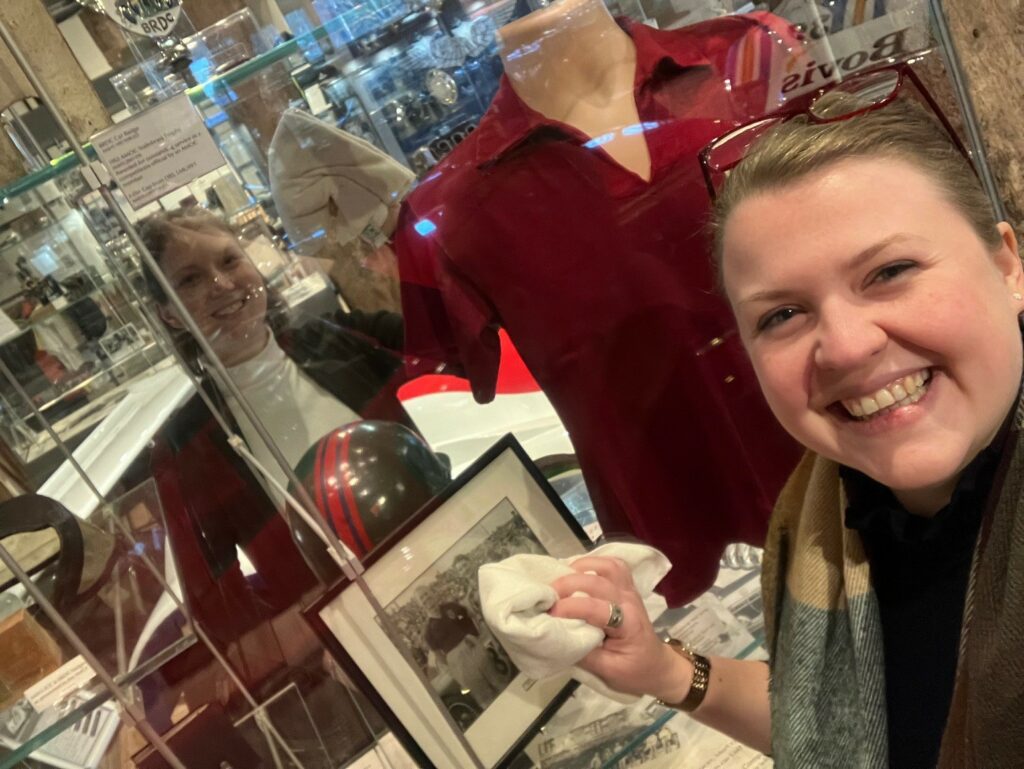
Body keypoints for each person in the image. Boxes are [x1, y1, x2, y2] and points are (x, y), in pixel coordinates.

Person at [545, 76, 1024, 768]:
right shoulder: (825, 515)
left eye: (890, 270)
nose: (848, 345)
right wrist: (665, 669)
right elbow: (845, 724)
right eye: (782, 315)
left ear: (1007, 265)